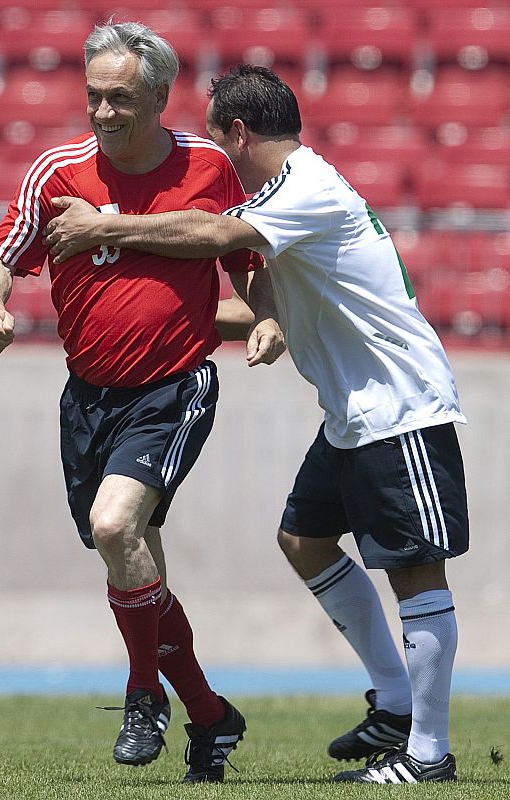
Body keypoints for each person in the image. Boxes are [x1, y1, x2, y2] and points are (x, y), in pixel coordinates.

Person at [42, 64, 470, 785]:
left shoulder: (302, 187)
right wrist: (133, 314)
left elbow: (213, 233)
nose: (218, 163)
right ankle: (394, 703)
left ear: (238, 133)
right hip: (350, 412)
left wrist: (104, 228)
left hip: (401, 406)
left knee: (414, 572)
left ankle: (426, 752)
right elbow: (241, 304)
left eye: (219, 143)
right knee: (303, 540)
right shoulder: (289, 194)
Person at [0, 30, 285, 784]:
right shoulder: (57, 171)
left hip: (174, 387)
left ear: (156, 96)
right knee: (128, 560)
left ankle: (143, 693)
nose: (103, 110)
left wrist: (266, 315)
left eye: (119, 96)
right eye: (93, 95)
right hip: (87, 399)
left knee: (117, 526)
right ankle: (210, 717)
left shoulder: (205, 165)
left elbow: (247, 257)